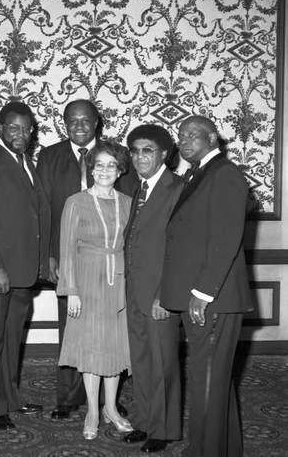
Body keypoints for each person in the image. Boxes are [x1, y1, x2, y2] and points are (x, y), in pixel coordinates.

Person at [36, 99, 137, 420]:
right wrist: (49, 257)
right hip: (69, 259)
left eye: (85, 120)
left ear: (97, 122)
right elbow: (44, 211)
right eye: (72, 121)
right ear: (63, 123)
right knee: (73, 327)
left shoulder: (116, 156)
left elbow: (130, 212)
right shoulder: (50, 156)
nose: (78, 126)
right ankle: (68, 397)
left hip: (112, 265)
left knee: (110, 331)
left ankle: (110, 401)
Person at [160, 115, 253, 457]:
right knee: (211, 377)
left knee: (208, 379)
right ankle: (219, 447)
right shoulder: (200, 173)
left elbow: (225, 238)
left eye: (192, 135)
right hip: (203, 294)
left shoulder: (224, 174)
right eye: (180, 136)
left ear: (212, 137)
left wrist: (203, 292)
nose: (183, 141)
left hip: (213, 297)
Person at [0, 101, 51, 431]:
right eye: (14, 127)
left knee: (11, 339)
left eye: (27, 128)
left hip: (22, 272)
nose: (22, 133)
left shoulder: (26, 162)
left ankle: (11, 397)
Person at [57, 141, 133, 440]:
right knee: (91, 348)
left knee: (113, 348)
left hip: (120, 283)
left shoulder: (128, 202)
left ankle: (111, 409)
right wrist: (71, 290)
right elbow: (67, 250)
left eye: (111, 165)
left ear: (120, 170)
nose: (104, 170)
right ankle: (91, 409)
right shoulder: (75, 201)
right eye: (98, 164)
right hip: (87, 283)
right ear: (90, 168)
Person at [123, 124, 184, 453]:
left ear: (164, 154)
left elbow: (179, 248)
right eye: (134, 150)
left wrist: (166, 293)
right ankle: (145, 421)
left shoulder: (176, 188)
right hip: (134, 288)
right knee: (141, 360)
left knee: (163, 363)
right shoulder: (137, 187)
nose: (139, 156)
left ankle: (164, 429)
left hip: (160, 292)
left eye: (147, 150)